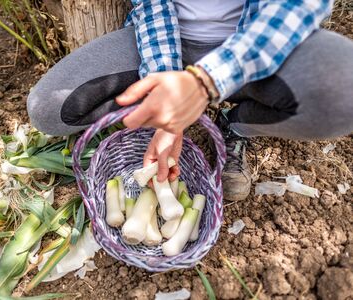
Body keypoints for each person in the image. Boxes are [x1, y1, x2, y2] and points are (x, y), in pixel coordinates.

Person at [27, 0, 353, 201]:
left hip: (256, 46)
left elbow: (294, 7)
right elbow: (152, 6)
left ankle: (236, 126)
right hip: (172, 41)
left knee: (344, 91)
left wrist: (205, 81)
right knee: (50, 109)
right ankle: (158, 115)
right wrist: (166, 90)